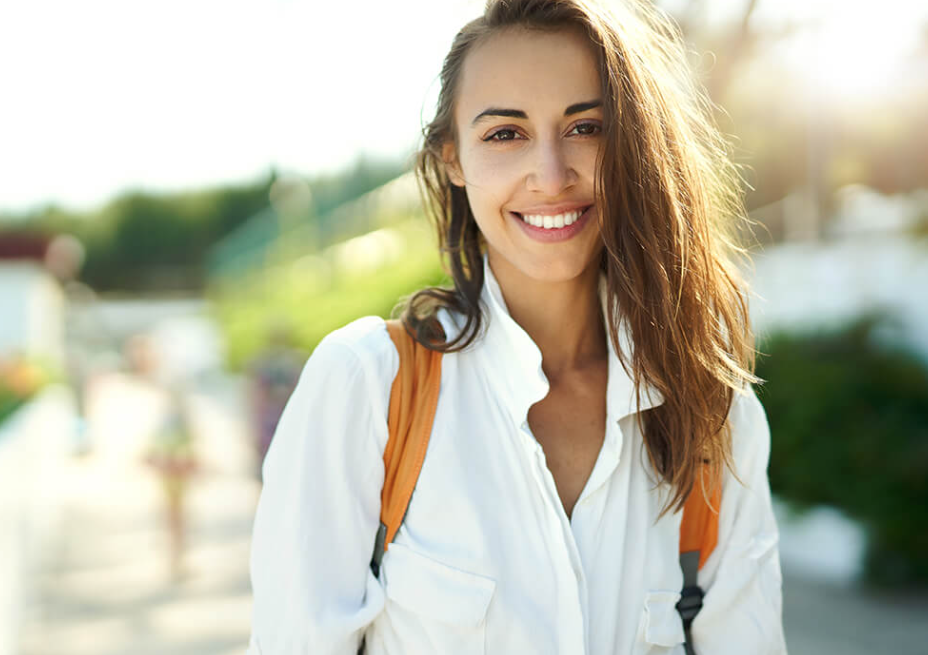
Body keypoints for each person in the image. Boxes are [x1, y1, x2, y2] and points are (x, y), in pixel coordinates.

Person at [248, 0, 787, 653]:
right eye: (505, 134)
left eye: (586, 127)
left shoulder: (714, 417)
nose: (553, 176)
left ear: (634, 144)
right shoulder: (367, 389)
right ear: (452, 158)